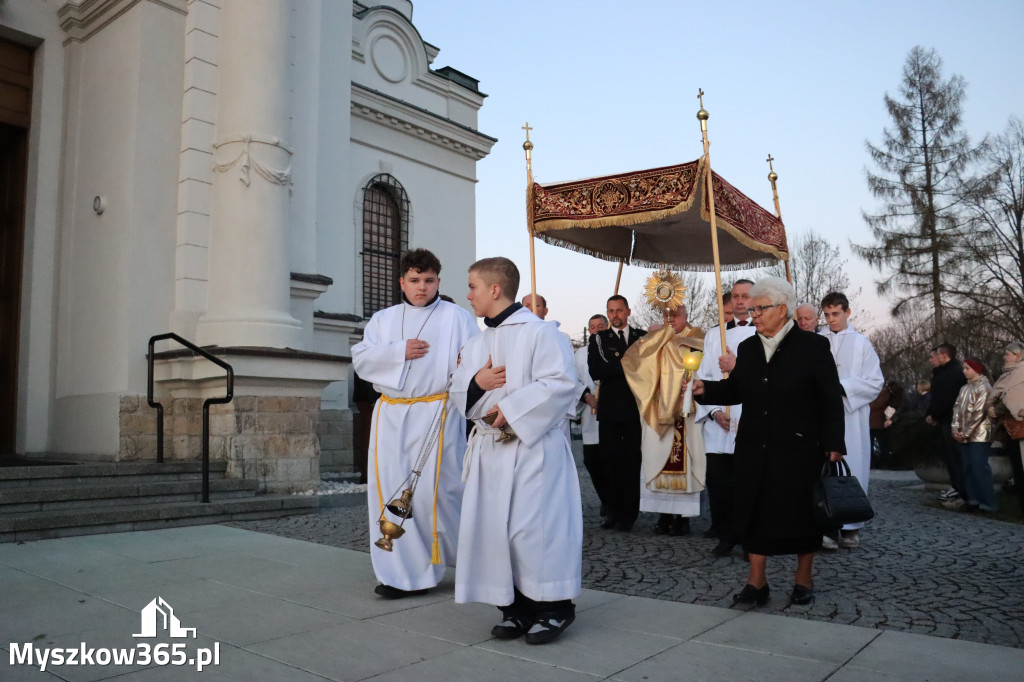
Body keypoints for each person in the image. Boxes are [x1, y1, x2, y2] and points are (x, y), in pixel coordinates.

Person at [692, 277, 845, 607]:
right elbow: (739, 389)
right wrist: (706, 390)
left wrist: (834, 442)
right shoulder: (748, 347)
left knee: (803, 513)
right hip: (754, 445)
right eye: (752, 306)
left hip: (798, 447)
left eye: (760, 307)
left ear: (782, 309)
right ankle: (756, 582)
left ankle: (803, 579)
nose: (753, 312)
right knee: (754, 511)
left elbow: (831, 398)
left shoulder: (813, 347)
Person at [452, 256, 582, 645]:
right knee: (495, 531)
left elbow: (561, 384)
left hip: (532, 450)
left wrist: (508, 410)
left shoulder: (543, 334)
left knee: (534, 529)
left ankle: (555, 608)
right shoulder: (477, 342)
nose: (468, 294)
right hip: (490, 453)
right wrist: (476, 381)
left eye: (473, 286)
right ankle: (514, 608)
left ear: (494, 289)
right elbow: (458, 391)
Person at [351, 248, 479, 599]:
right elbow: (361, 358)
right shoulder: (383, 319)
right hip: (392, 413)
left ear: (438, 281)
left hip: (437, 411)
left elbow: (476, 360)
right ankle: (400, 575)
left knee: (438, 493)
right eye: (414, 280)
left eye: (428, 280)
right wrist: (398, 352)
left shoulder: (457, 317)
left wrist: (465, 367)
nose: (421, 287)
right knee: (390, 493)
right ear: (402, 282)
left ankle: (466, 558)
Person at [624, 304, 705, 536]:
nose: (671, 319)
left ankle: (683, 518)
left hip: (686, 410)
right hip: (659, 409)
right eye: (667, 315)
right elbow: (637, 366)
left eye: (676, 315)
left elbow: (703, 368)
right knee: (657, 458)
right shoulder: (655, 338)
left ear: (686, 316)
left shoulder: (698, 338)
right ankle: (663, 515)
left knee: (686, 464)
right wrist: (654, 340)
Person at [695, 279, 756, 556]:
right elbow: (706, 375)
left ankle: (749, 536)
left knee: (746, 481)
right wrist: (714, 411)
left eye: (746, 296)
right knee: (719, 481)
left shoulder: (765, 334)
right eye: (736, 296)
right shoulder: (714, 335)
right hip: (719, 420)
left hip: (749, 417)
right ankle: (724, 533)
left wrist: (738, 366)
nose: (740, 301)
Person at [819, 292, 883, 550]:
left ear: (848, 312)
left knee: (851, 466)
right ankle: (825, 526)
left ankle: (851, 527)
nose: (831, 319)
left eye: (836, 314)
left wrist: (841, 388)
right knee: (822, 470)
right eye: (827, 315)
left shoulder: (862, 344)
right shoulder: (817, 341)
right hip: (822, 417)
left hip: (850, 416)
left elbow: (874, 381)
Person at [588, 295, 648, 531]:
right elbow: (597, 369)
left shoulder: (642, 337)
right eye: (611, 311)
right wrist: (632, 366)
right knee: (610, 463)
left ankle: (629, 514)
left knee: (632, 463)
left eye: (619, 310)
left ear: (628, 311)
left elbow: (650, 369)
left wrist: (619, 366)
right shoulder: (600, 339)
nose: (615, 315)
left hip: (635, 410)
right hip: (611, 411)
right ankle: (611, 512)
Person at [952, 358, 998, 512]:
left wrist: (965, 433)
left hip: (980, 434)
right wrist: (955, 429)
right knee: (968, 467)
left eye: (967, 368)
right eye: (963, 368)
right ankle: (973, 500)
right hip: (964, 435)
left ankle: (988, 503)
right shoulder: (964, 388)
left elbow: (979, 413)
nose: (964, 371)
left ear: (977, 369)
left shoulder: (985, 387)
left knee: (979, 467)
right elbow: (957, 409)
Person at [927, 343, 968, 506]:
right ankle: (957, 488)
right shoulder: (944, 373)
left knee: (956, 458)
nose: (932, 360)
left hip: (952, 420)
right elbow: (936, 397)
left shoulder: (953, 373)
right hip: (945, 419)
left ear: (944, 355)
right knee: (951, 458)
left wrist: (934, 415)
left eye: (935, 356)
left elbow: (948, 398)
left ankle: (961, 491)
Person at [576, 314, 608, 517]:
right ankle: (606, 498)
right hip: (589, 414)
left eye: (599, 326)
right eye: (592, 327)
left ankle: (614, 501)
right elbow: (571, 379)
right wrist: (586, 396)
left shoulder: (615, 350)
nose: (595, 330)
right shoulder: (579, 354)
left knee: (612, 461)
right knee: (592, 461)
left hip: (611, 414)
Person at [988, 341, 1024, 513]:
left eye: (1007, 354)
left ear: (1017, 355)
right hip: (1009, 428)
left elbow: (1015, 398)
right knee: (1017, 468)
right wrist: (993, 408)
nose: (1004, 357)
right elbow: (998, 397)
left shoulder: (1022, 372)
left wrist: (1000, 408)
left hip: (1021, 425)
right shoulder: (1005, 376)